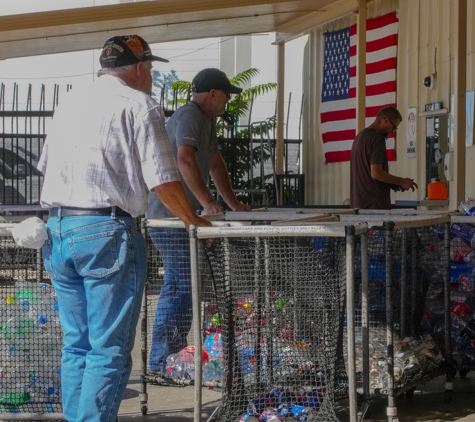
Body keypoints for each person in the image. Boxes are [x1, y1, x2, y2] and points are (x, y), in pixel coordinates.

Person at [37, 35, 212, 422]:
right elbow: (163, 179)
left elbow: (47, 170)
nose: (150, 77)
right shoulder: (139, 104)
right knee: (108, 348)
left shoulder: (69, 102)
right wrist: (194, 219)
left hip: (59, 229)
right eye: (150, 69)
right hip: (105, 230)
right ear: (139, 69)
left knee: (77, 344)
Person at [146, 68, 253, 374]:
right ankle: (160, 362)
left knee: (189, 284)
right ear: (213, 94)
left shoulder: (206, 120)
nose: (229, 100)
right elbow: (185, 160)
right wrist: (207, 204)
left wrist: (232, 204)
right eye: (227, 94)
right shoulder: (190, 115)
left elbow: (215, 163)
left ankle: (173, 357)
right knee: (180, 285)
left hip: (187, 218)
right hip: (172, 217)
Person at [350, 106, 418, 209]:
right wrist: (401, 181)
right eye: (394, 127)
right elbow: (376, 173)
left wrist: (394, 184)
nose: (392, 131)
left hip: (358, 205)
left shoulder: (359, 137)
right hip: (375, 207)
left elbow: (368, 174)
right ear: (386, 120)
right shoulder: (377, 139)